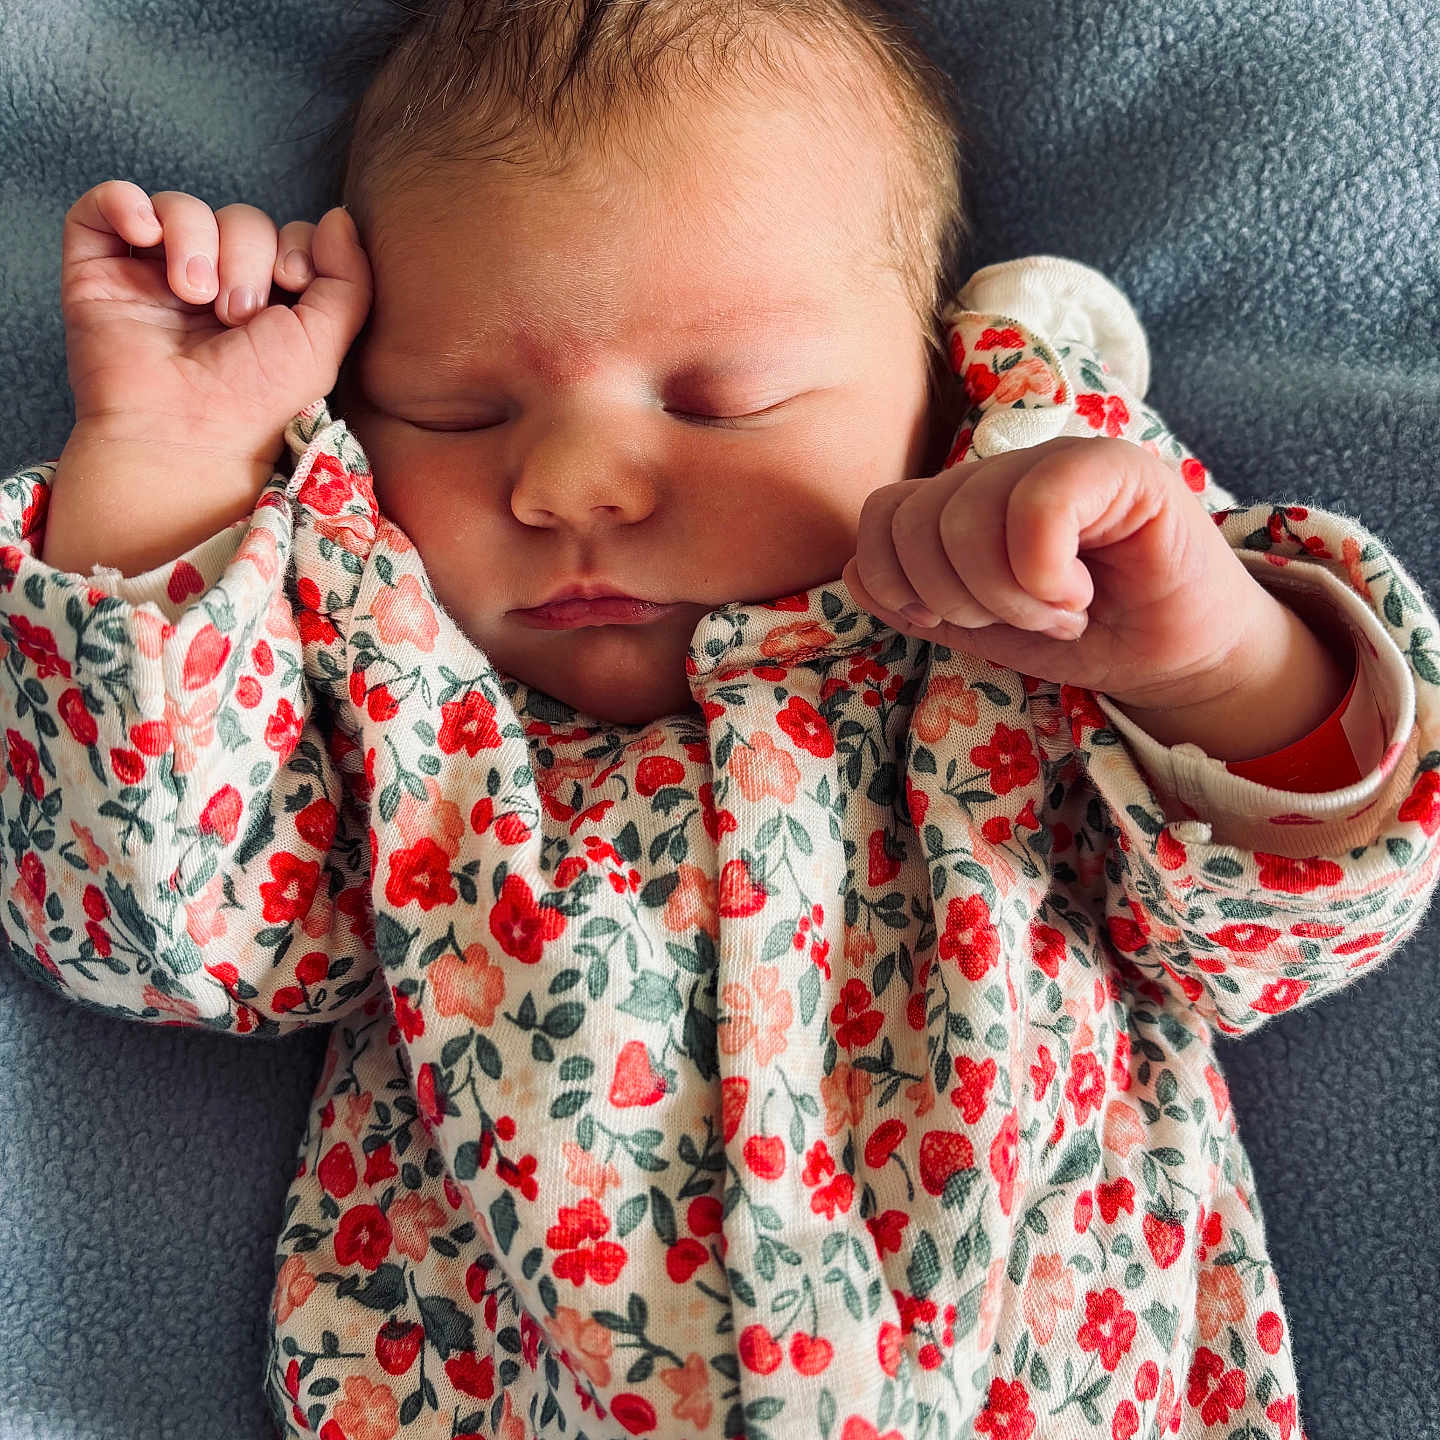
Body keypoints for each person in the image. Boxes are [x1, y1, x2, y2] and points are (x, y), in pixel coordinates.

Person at [3, 1, 1436, 1436]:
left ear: (942, 382)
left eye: (722, 400)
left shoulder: (1030, 645)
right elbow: (162, 929)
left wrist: (1206, 660)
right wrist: (170, 457)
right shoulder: (406, 715)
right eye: (450, 412)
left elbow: (1280, 933)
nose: (570, 484)